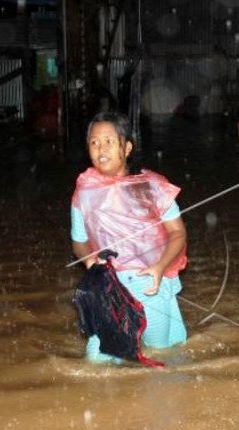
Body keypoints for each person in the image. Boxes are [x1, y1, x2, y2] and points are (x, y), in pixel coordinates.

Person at [71, 111, 188, 364]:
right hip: (109, 286)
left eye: (109, 141)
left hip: (150, 282)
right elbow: (79, 241)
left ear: (127, 148)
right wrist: (90, 261)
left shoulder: (150, 186)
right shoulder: (84, 191)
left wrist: (160, 267)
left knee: (162, 355)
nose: (100, 148)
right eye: (94, 142)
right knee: (96, 363)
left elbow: (177, 232)